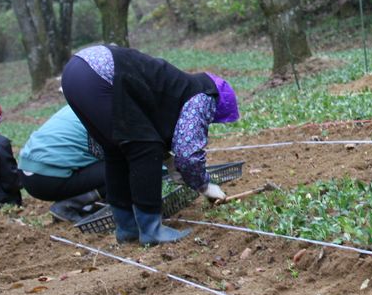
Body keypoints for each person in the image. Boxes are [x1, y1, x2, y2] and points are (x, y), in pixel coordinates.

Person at [60, 45, 239, 244]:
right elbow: (187, 154)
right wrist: (204, 185)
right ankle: (152, 230)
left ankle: (127, 228)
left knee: (117, 152)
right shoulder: (203, 96)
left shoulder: (177, 86)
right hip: (99, 72)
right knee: (144, 148)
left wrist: (169, 160)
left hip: (76, 72)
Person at [18, 105, 106, 218]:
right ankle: (69, 205)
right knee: (122, 169)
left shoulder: (78, 102)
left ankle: (82, 201)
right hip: (47, 178)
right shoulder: (106, 111)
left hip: (27, 171)